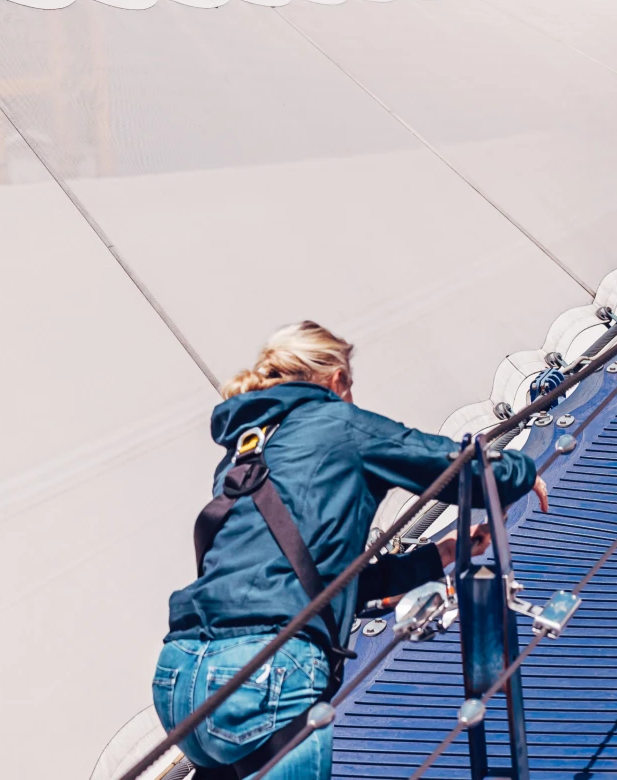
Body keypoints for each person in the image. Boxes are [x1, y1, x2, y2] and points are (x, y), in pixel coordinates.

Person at [155, 321, 547, 779]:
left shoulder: (244, 451)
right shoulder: (338, 424)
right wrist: (522, 469)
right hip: (265, 671)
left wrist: (435, 556)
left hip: (180, 679)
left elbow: (319, 582)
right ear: (337, 380)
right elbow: (464, 470)